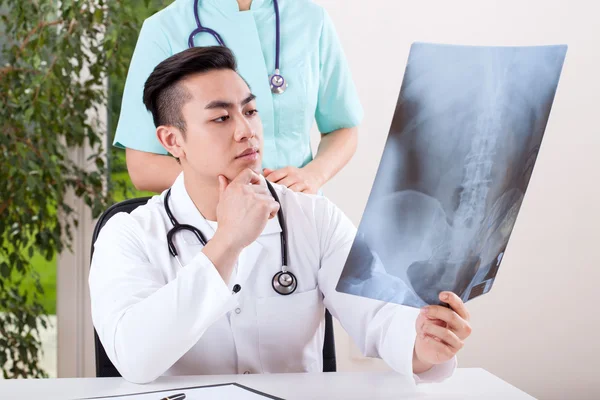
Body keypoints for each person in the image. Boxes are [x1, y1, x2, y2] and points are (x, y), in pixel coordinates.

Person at [89, 47, 472, 384]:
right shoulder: (128, 235)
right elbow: (134, 358)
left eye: (251, 111)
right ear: (173, 141)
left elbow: (380, 314)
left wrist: (423, 343)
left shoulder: (313, 217)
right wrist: (227, 243)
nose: (246, 131)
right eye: (221, 118)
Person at [115, 0, 362, 194]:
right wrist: (236, 187)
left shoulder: (311, 19)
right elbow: (143, 166)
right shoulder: (165, 29)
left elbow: (343, 128)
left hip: (299, 213)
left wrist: (313, 175)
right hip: (213, 219)